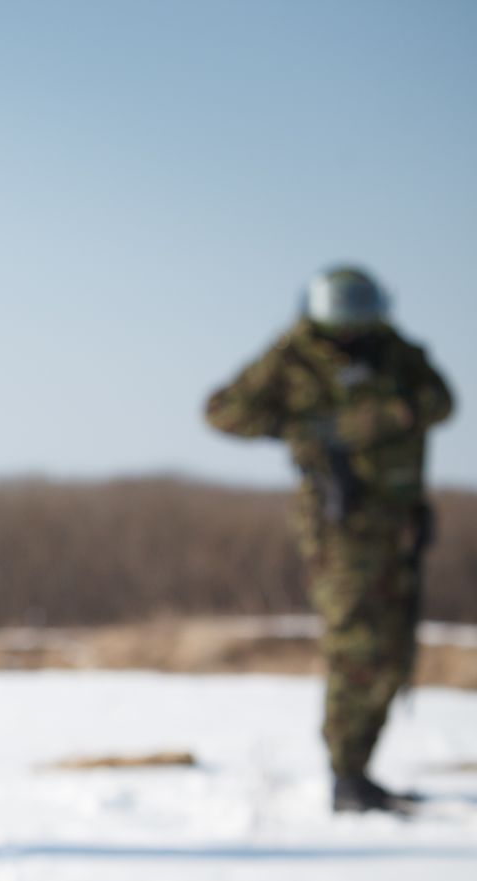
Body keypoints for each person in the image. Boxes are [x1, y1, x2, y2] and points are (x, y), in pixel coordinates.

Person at [205, 266, 455, 813]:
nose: (348, 333)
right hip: (339, 524)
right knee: (353, 645)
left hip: (399, 519)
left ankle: (361, 769)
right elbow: (221, 410)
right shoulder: (293, 355)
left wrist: (379, 418)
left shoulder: (395, 351)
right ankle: (345, 773)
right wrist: (297, 428)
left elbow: (442, 401)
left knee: (391, 648)